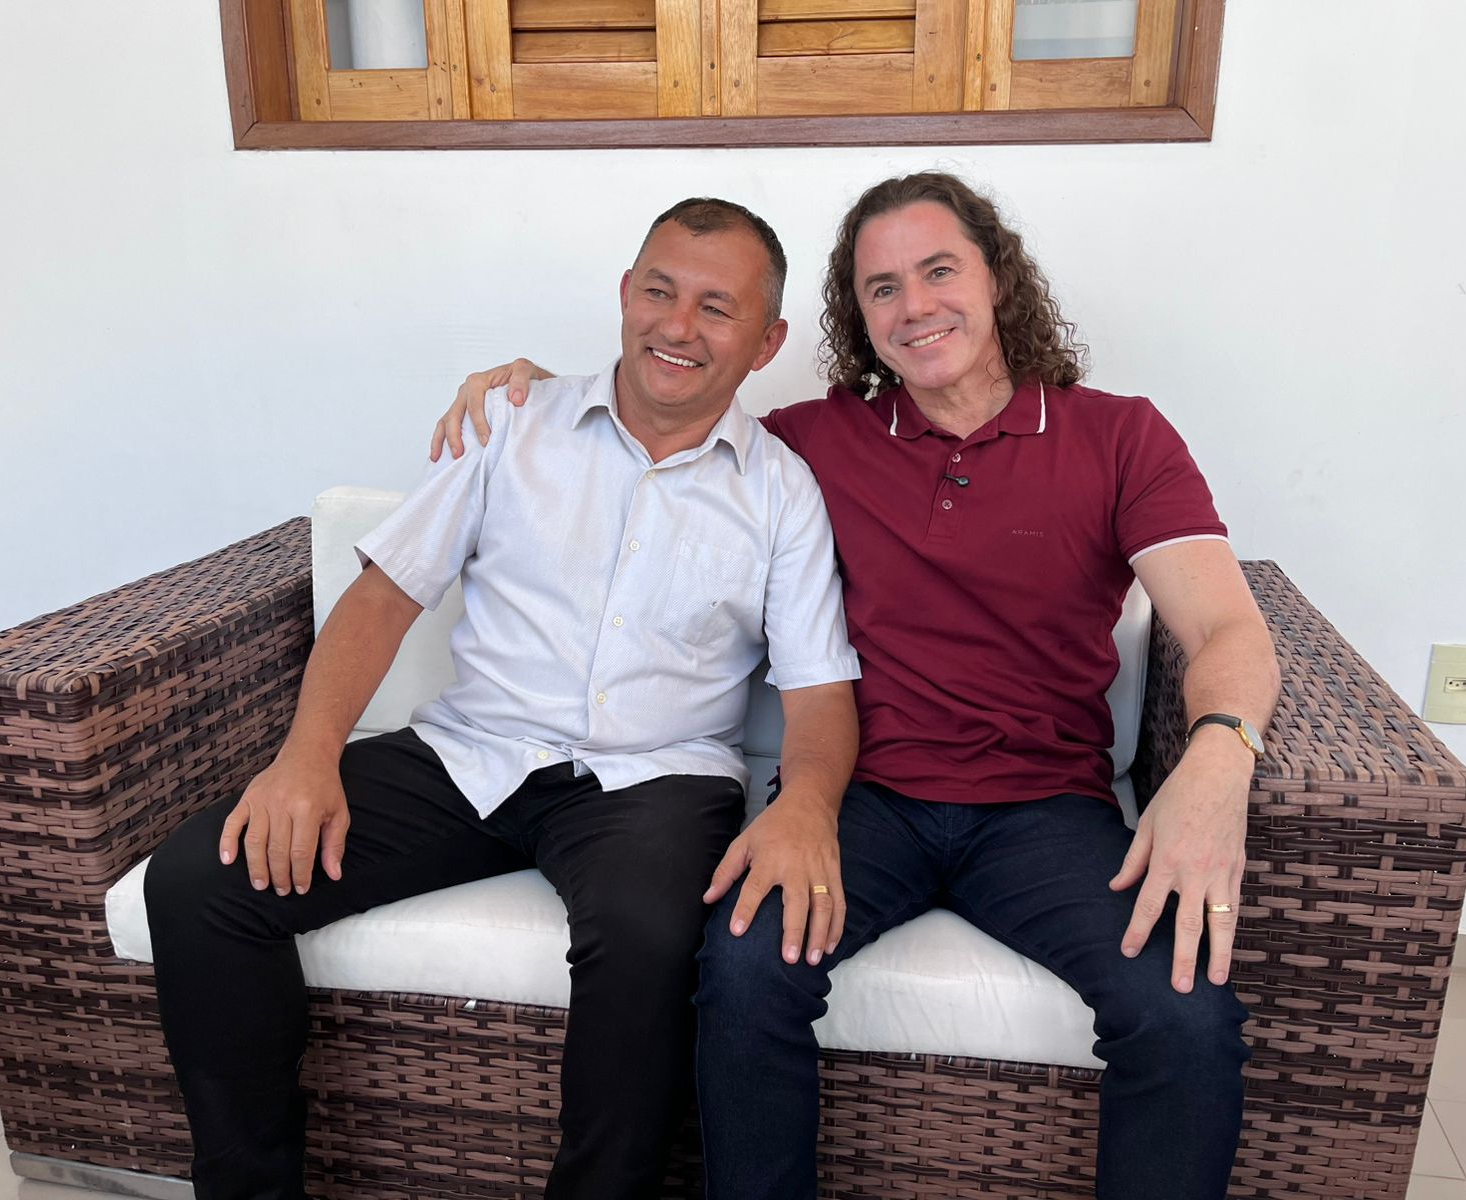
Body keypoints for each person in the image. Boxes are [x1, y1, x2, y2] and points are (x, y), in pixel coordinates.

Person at [435, 172, 1280, 1200]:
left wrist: (1219, 758)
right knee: (742, 970)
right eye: (883, 288)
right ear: (858, 316)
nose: (915, 305)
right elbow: (664, 411)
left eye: (939, 271)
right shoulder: (814, 445)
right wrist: (536, 394)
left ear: (997, 278)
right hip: (862, 804)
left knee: (1186, 1015)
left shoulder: (1120, 436)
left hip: (1046, 811)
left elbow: (1227, 628)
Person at [143, 198, 861, 1200]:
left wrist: (806, 806)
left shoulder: (782, 490)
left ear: (767, 341)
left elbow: (820, 693)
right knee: (199, 880)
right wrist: (305, 756)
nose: (676, 325)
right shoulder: (511, 422)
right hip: (469, 752)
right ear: (625, 293)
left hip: (654, 782)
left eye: (715, 307)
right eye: (658, 291)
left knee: (650, 941)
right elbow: (383, 599)